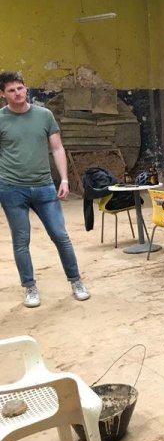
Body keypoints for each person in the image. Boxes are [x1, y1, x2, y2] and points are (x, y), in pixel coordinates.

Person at [0, 71, 90, 308]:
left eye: (20, 88)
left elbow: (57, 148)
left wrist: (64, 180)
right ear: (2, 94)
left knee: (60, 235)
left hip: (44, 186)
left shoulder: (44, 115)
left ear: (26, 88)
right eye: (11, 90)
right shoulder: (0, 119)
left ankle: (76, 281)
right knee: (21, 240)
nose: (17, 93)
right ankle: (30, 287)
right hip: (11, 188)